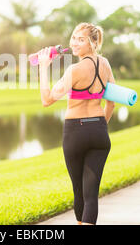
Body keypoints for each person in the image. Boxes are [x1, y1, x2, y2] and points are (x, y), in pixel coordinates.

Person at [38, 22, 115, 225]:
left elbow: (46, 100)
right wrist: (100, 126)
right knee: (91, 195)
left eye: (81, 39)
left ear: (93, 43)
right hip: (99, 130)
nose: (74, 43)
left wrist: (44, 68)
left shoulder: (75, 70)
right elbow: (111, 102)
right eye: (73, 38)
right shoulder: (105, 64)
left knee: (79, 192)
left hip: (75, 133)